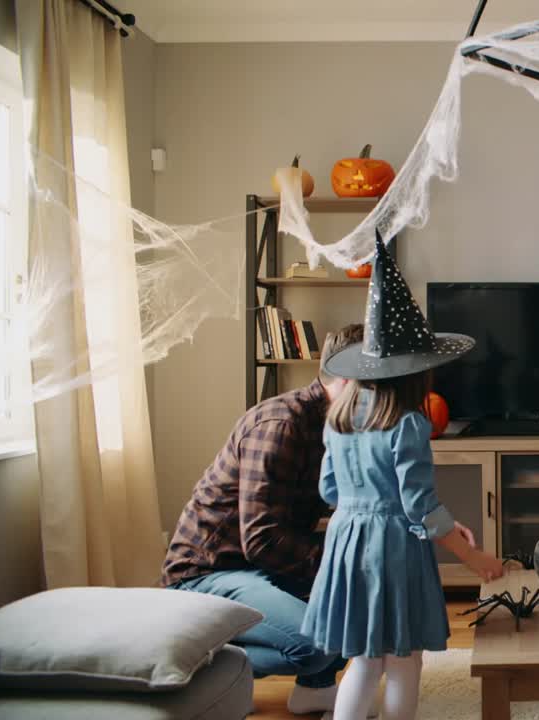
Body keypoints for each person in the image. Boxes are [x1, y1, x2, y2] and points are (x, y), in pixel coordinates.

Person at [161, 322, 481, 716]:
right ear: (354, 374)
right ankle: (198, 661)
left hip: (266, 568)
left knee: (353, 627)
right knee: (326, 635)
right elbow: (261, 541)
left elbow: (349, 493)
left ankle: (317, 688)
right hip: (213, 573)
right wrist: (348, 574)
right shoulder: (282, 424)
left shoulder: (338, 424)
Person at [301, 233, 506, 720]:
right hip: (394, 551)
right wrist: (473, 557)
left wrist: (368, 507)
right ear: (416, 372)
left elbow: (329, 489)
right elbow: (418, 506)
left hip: (348, 543)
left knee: (365, 659)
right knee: (405, 660)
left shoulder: (339, 419)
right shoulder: (409, 423)